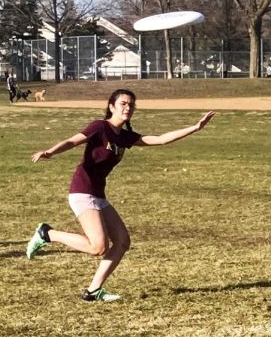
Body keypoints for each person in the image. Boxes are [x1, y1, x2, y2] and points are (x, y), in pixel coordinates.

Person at [26, 89, 215, 301]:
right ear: (112, 107)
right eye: (123, 104)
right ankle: (47, 234)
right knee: (98, 247)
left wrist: (195, 128)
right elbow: (73, 141)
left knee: (122, 242)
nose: (128, 108)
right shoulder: (100, 127)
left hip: (98, 194)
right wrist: (51, 151)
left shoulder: (124, 136)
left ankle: (93, 291)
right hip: (82, 190)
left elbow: (160, 139)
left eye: (131, 105)